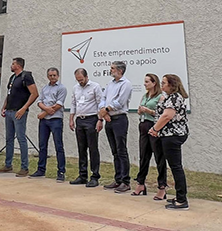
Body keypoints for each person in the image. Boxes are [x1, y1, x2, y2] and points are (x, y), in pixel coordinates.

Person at [149, 74, 190, 210]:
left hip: (172, 135)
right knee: (174, 166)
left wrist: (155, 129)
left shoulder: (174, 98)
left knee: (176, 167)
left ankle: (182, 200)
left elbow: (167, 116)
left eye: (164, 83)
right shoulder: (168, 97)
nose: (162, 85)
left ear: (172, 85)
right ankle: (179, 196)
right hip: (169, 134)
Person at [0, 57, 38, 177]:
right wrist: (4, 107)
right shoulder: (12, 77)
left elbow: (34, 94)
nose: (11, 65)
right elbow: (9, 94)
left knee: (20, 138)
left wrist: (24, 108)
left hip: (19, 112)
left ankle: (24, 167)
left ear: (18, 65)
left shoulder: (26, 76)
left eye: (13, 63)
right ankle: (8, 165)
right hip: (9, 111)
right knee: (9, 139)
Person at [99, 61, 133, 193]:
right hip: (109, 119)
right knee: (114, 151)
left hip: (119, 119)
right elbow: (103, 97)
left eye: (112, 68)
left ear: (120, 70)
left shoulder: (126, 84)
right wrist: (103, 110)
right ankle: (118, 178)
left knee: (121, 150)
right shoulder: (110, 83)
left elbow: (120, 102)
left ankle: (125, 181)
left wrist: (106, 109)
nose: (110, 70)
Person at [132, 73, 168, 198]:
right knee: (144, 156)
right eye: (145, 81)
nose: (145, 84)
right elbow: (140, 109)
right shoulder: (145, 96)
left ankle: (162, 186)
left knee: (159, 157)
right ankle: (140, 183)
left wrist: (148, 111)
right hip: (143, 125)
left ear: (154, 83)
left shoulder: (160, 97)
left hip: (154, 126)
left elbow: (161, 114)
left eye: (147, 82)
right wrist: (140, 110)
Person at [30, 67, 67, 182]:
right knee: (42, 145)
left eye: (54, 75)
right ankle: (41, 169)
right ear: (47, 76)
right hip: (44, 121)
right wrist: (45, 110)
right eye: (50, 75)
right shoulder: (45, 88)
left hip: (55, 119)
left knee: (58, 146)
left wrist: (44, 112)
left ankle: (61, 172)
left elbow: (59, 104)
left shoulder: (62, 88)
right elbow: (39, 101)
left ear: (58, 76)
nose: (52, 77)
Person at [69, 68, 103, 187]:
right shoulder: (76, 88)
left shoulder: (95, 86)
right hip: (80, 119)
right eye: (78, 80)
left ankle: (95, 176)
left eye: (82, 79)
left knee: (93, 148)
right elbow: (73, 103)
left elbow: (100, 103)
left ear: (86, 76)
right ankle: (82, 175)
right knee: (81, 148)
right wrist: (71, 119)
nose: (80, 82)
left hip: (91, 119)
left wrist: (100, 119)